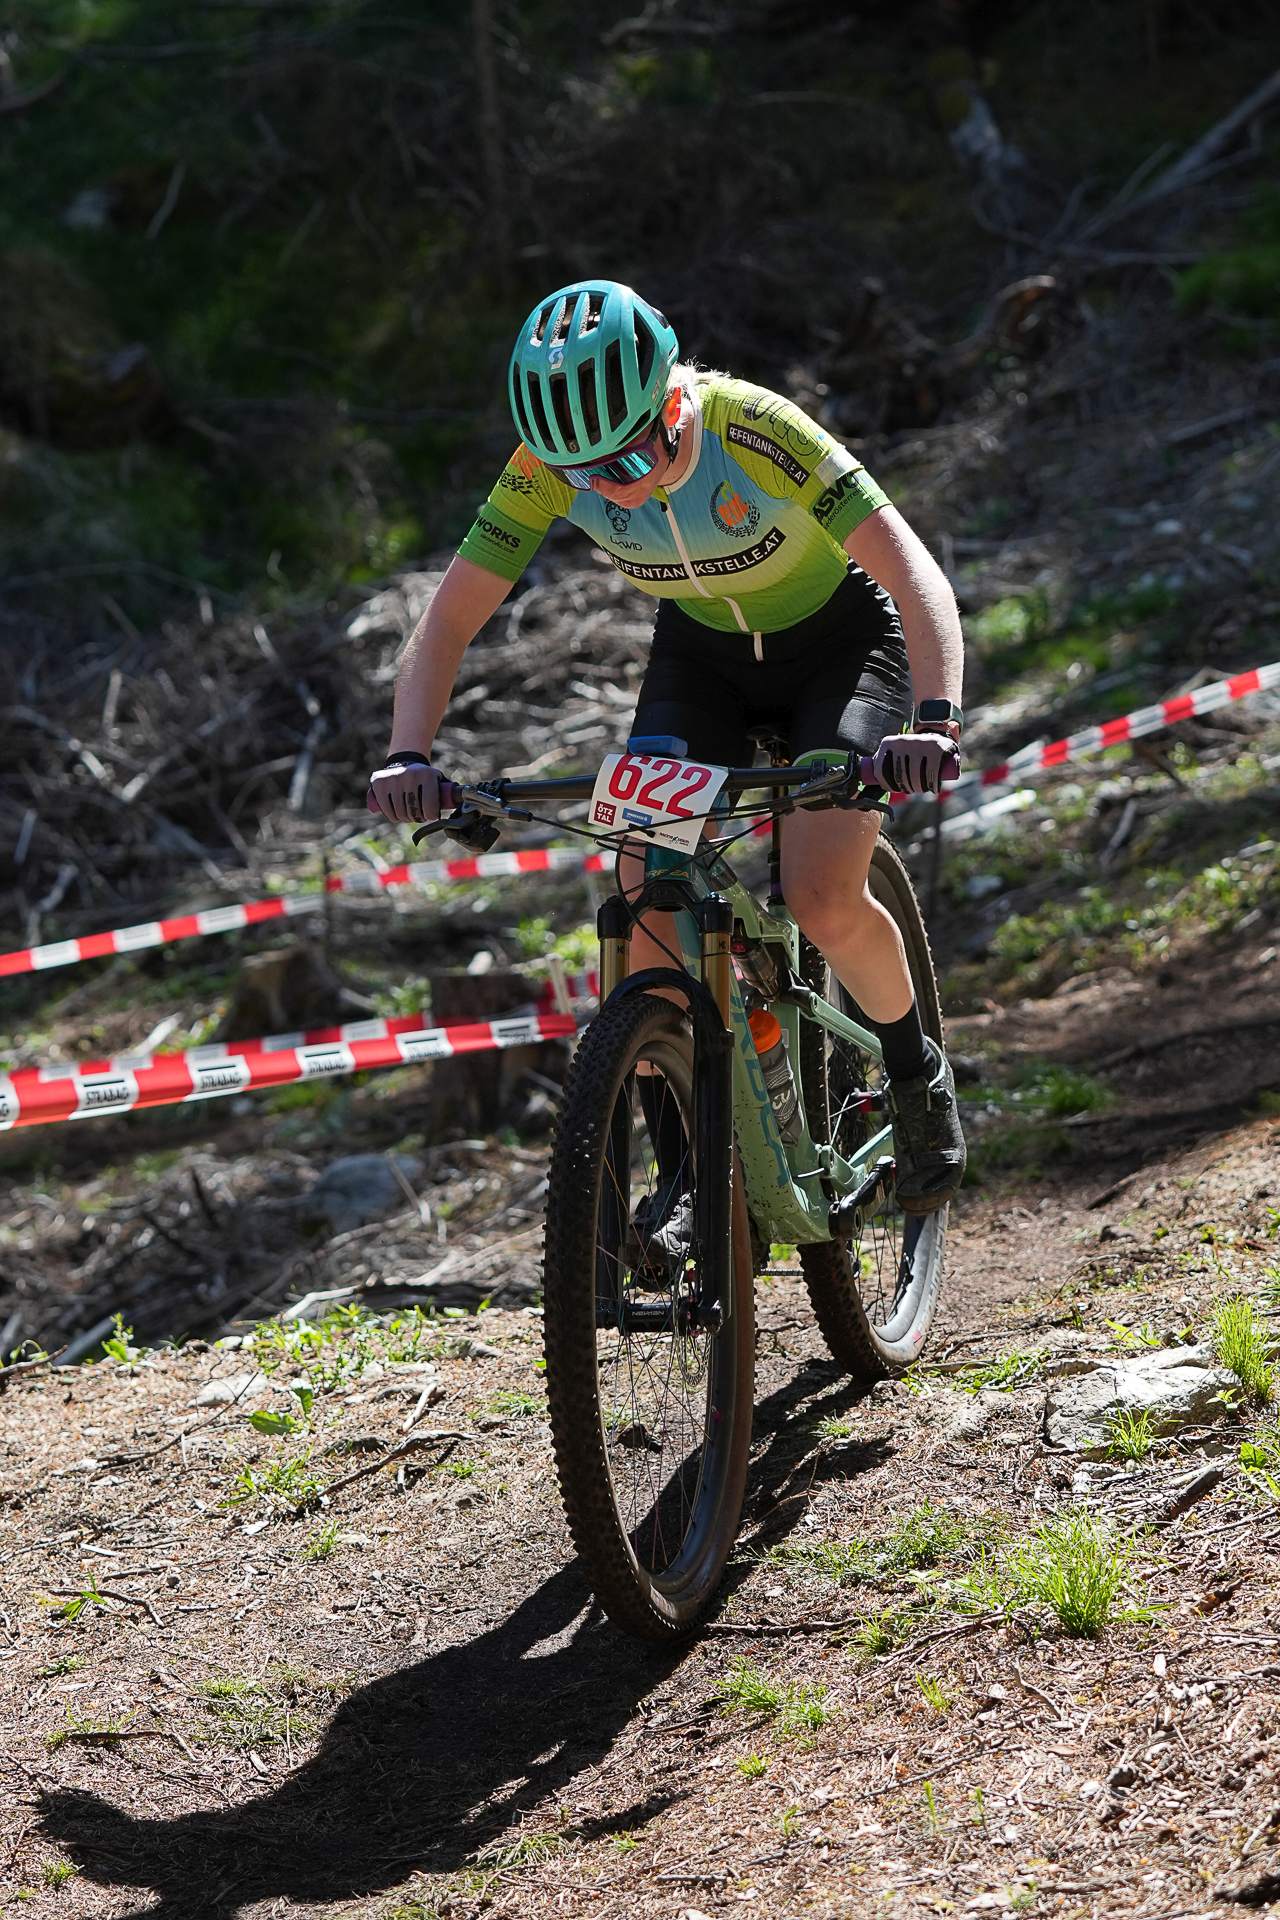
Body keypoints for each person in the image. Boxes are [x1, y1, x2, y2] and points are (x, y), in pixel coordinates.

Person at [367, 279, 966, 1214]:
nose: (612, 485)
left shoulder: (754, 427)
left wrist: (934, 720)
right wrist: (409, 754)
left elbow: (915, 573)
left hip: (843, 649)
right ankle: (688, 1170)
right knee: (646, 894)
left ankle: (914, 1075)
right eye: (585, 475)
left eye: (629, 456)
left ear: (672, 404)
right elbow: (447, 621)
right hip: (703, 657)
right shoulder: (547, 466)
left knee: (819, 893)